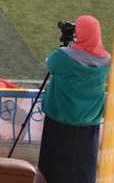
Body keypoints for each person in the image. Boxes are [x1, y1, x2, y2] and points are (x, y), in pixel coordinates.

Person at [38, 15, 111, 183]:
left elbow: (50, 64)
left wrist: (68, 47)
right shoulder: (107, 60)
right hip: (89, 122)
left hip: (59, 119)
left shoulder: (63, 56)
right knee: (83, 166)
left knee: (53, 166)